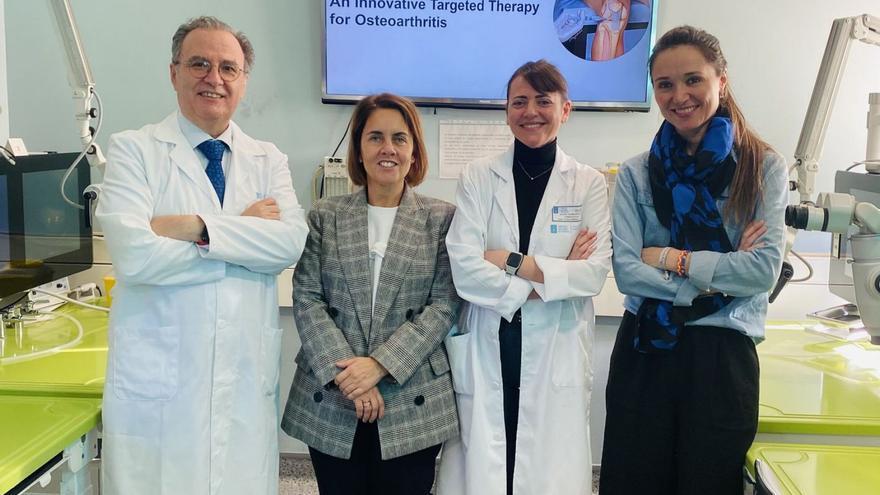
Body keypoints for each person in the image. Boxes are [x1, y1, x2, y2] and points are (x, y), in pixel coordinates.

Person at [96, 16, 308, 494]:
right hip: (161, 391)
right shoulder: (134, 151)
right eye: (199, 64)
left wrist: (192, 228)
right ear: (174, 73)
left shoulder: (266, 158)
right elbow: (135, 257)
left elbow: (288, 245)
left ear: (243, 81)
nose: (214, 78)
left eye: (228, 68)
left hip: (241, 383)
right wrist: (244, 235)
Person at [599, 25, 787, 495]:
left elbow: (762, 271)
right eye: (665, 84)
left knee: (709, 484)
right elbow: (627, 271)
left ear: (721, 80)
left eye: (692, 80)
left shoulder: (763, 166)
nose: (679, 96)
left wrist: (671, 259)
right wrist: (718, 279)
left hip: (722, 356)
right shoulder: (638, 173)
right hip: (646, 351)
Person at [437, 60, 613, 495]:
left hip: (557, 341)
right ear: (507, 110)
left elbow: (592, 274)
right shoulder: (479, 176)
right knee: (491, 452)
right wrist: (553, 277)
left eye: (542, 100)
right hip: (491, 337)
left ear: (565, 109)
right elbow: (465, 265)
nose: (530, 111)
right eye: (519, 101)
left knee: (543, 460)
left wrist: (510, 261)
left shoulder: (587, 183)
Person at [281, 93, 461, 495]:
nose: (387, 149)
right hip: (332, 394)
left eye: (400, 138)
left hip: (411, 393)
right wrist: (353, 379)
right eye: (375, 137)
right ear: (358, 150)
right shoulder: (325, 215)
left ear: (414, 152)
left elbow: (443, 304)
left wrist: (378, 366)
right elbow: (308, 297)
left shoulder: (441, 219)